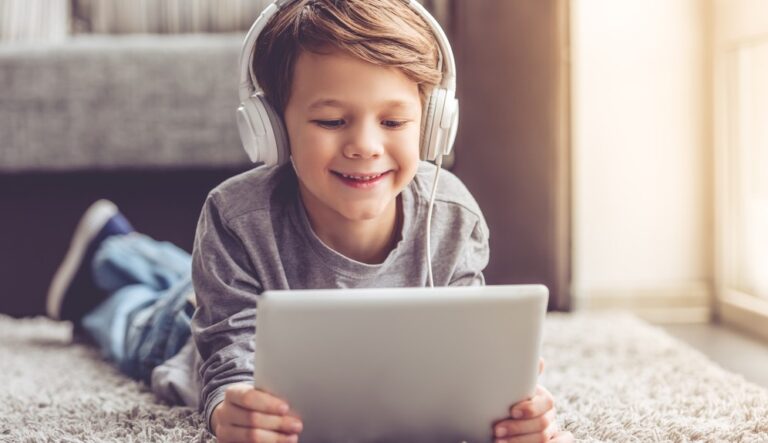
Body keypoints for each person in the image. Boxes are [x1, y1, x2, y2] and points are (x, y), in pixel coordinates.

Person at [46, 1, 575, 442]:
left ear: (434, 126)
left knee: (186, 280)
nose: (365, 146)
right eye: (330, 120)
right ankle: (107, 258)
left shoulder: (453, 218)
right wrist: (226, 409)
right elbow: (228, 355)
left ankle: (124, 248)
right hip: (196, 329)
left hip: (230, 285)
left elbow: (471, 352)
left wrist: (513, 407)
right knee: (139, 322)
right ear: (272, 128)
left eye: (393, 121)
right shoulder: (237, 217)